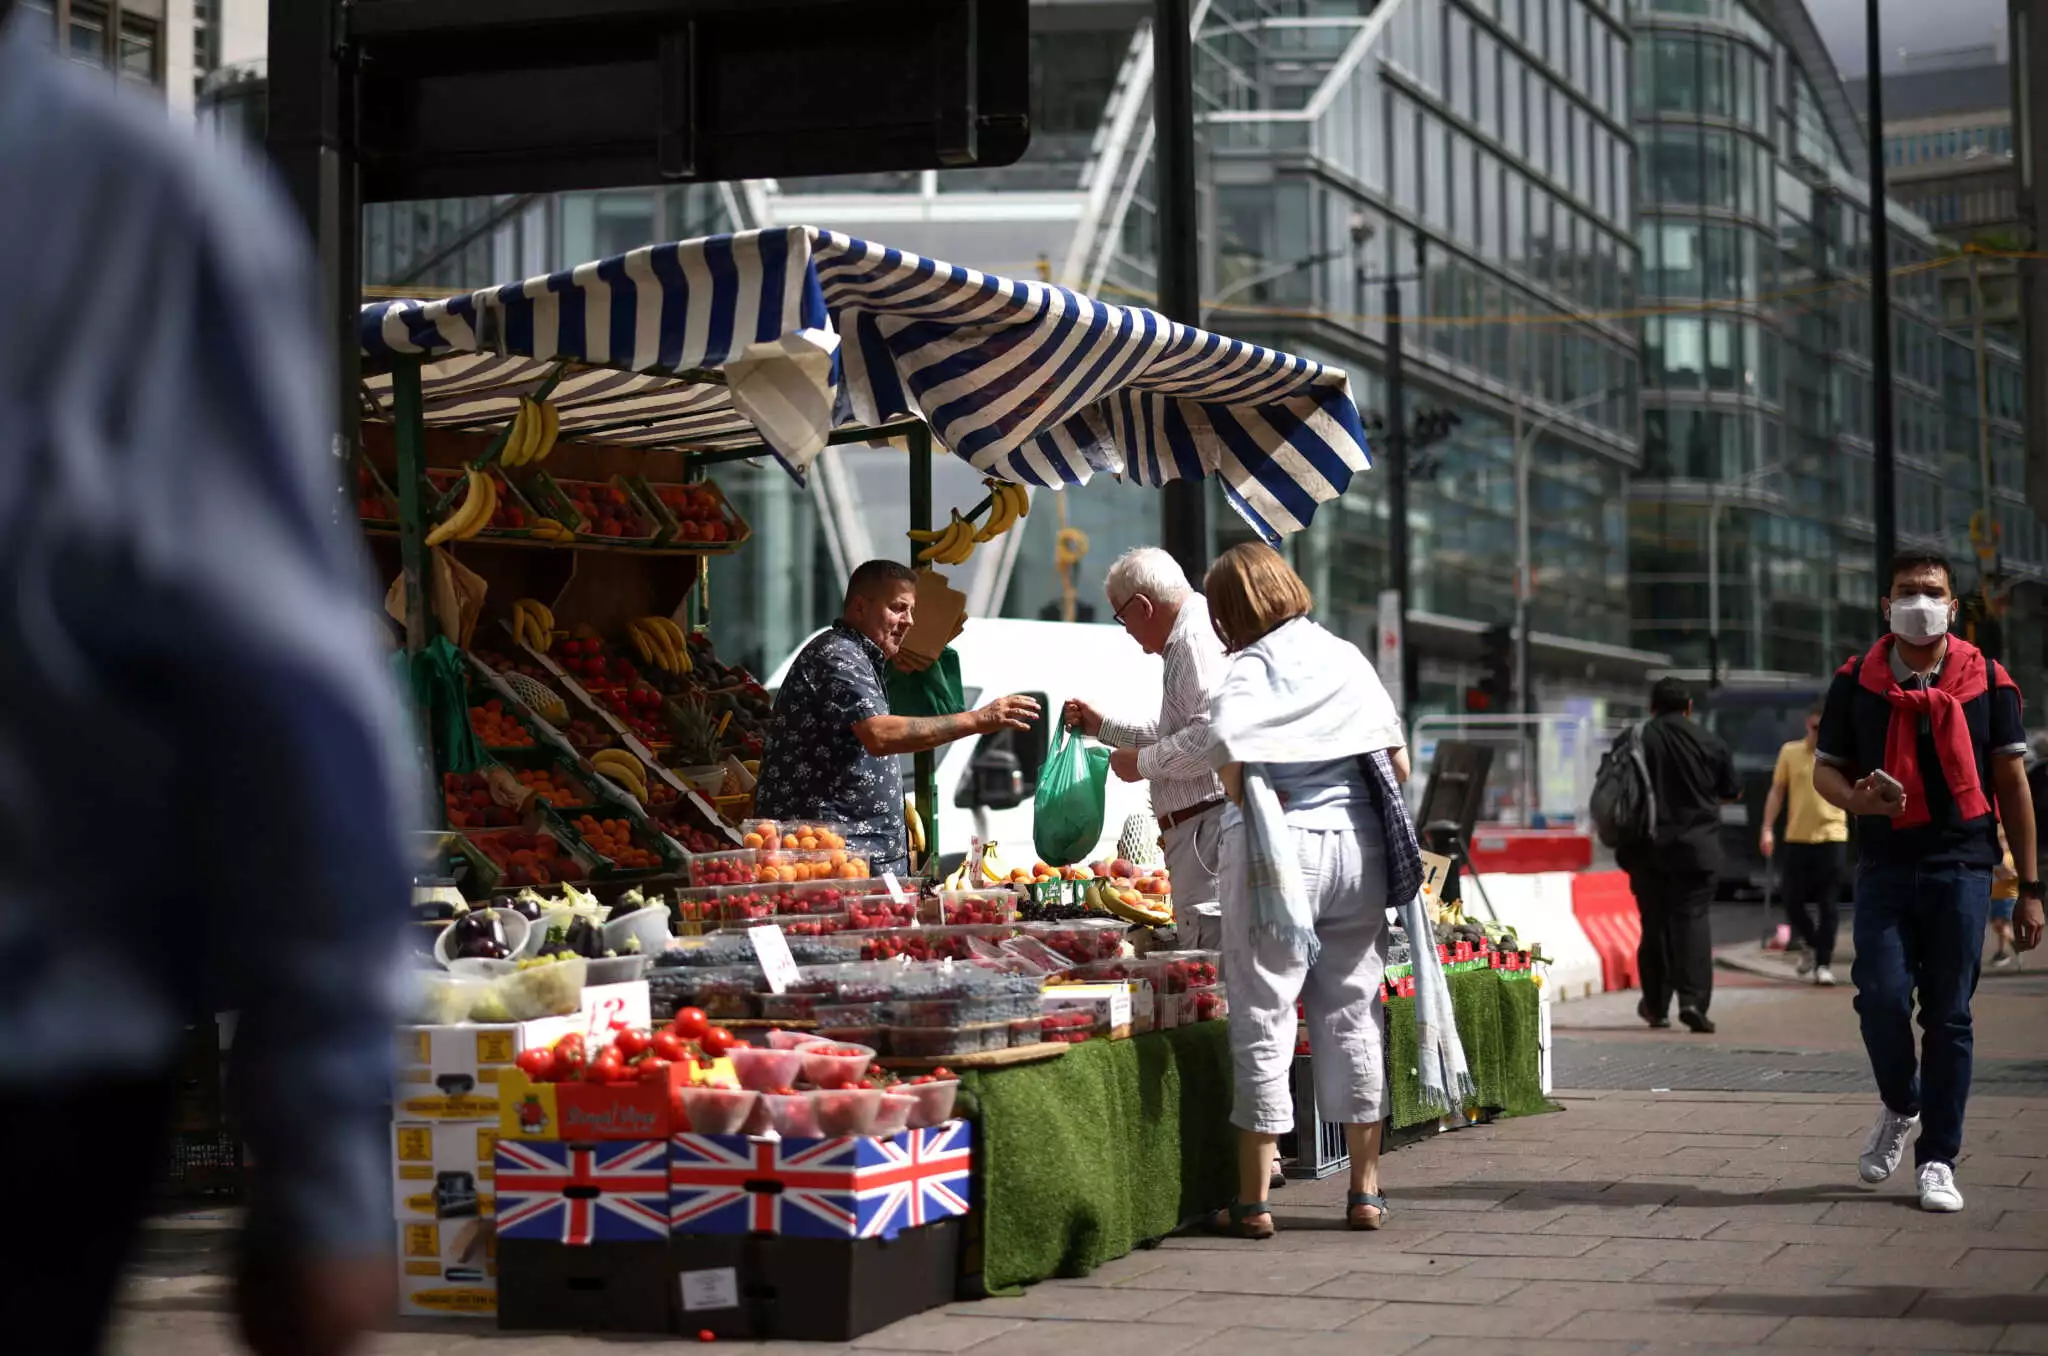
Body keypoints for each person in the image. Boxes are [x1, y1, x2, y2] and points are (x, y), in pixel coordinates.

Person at [0, 11, 423, 1353]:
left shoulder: (127, 191)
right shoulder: (122, 195)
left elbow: (286, 698)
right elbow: (290, 693)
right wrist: (328, 1161)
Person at [1184, 543, 1434, 1239]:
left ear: (1229, 613)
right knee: (1354, 1014)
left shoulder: (1250, 669)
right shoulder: (1345, 657)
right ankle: (1363, 1190)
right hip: (1360, 849)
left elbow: (1225, 750)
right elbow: (1398, 762)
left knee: (1264, 1014)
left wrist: (1261, 800)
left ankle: (1255, 1199)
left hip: (1276, 853)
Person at [1813, 550, 2042, 1214]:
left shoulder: (1989, 682)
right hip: (1885, 866)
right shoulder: (1856, 681)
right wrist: (1857, 801)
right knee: (1879, 997)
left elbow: (2012, 786)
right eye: (1907, 591)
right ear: (1886, 606)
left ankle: (1938, 1157)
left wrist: (2031, 889)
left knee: (1950, 1016)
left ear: (1953, 604)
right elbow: (1827, 769)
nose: (1920, 600)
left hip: (1964, 867)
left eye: (1932, 590)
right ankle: (1900, 1102)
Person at [753, 559, 1038, 876]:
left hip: (854, 862)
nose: (909, 622)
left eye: (911, 611)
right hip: (832, 864)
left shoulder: (861, 656)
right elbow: (880, 734)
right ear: (860, 608)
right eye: (898, 608)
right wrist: (978, 719)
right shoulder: (838, 654)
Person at [1062, 548, 1231, 949]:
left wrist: (1142, 763)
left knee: (1213, 962)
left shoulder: (1191, 638)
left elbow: (1210, 736)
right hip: (1202, 829)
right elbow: (1180, 730)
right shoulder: (1192, 632)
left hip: (1208, 828)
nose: (1126, 630)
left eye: (1122, 617)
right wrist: (1105, 728)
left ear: (1143, 605)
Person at [1620, 677, 1741, 1034]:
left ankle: (1656, 1006)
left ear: (1651, 708)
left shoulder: (1636, 738)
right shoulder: (1710, 742)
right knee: (1692, 922)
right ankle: (1693, 1001)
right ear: (1689, 708)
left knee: (1654, 923)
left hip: (1646, 848)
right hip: (1697, 848)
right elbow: (1730, 791)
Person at [1759, 704, 1849, 985]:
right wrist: (1767, 828)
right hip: (1798, 836)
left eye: (1823, 729)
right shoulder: (1791, 752)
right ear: (1806, 726)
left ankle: (1823, 963)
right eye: (1814, 728)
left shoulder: (1841, 755)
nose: (1818, 734)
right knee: (1791, 899)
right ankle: (1810, 943)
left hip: (1832, 834)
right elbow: (1777, 791)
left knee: (1828, 903)